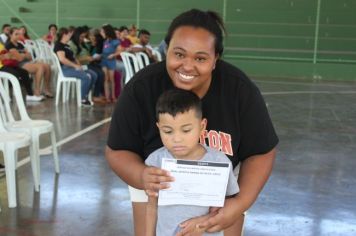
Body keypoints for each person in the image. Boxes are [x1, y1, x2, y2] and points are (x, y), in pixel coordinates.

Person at [106, 9, 278, 236]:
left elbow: (262, 151)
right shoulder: (142, 89)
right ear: (166, 50)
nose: (187, 66)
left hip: (221, 188)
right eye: (179, 54)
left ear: (215, 59)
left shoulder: (239, 90)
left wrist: (239, 204)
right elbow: (118, 150)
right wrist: (141, 175)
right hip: (154, 184)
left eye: (200, 58)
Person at [145, 88, 239, 236]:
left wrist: (202, 223)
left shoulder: (219, 162)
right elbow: (151, 207)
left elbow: (227, 208)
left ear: (202, 126)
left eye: (186, 130)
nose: (177, 139)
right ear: (159, 128)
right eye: (168, 131)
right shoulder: (156, 161)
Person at [6, 27, 53, 98]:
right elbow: (19, 58)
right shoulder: (9, 45)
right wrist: (24, 55)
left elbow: (30, 56)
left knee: (47, 66)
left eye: (19, 34)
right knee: (40, 67)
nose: (18, 36)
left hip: (26, 62)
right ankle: (37, 91)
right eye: (16, 34)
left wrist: (23, 55)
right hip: (18, 65)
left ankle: (46, 89)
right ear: (10, 35)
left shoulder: (20, 44)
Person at [54, 27, 96, 106]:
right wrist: (75, 66)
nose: (70, 36)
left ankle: (85, 94)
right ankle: (83, 99)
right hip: (65, 69)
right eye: (69, 35)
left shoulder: (67, 45)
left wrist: (78, 64)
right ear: (64, 35)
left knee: (93, 75)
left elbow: (73, 57)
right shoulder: (59, 45)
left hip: (72, 67)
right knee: (86, 76)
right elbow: (62, 59)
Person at [100, 24, 120, 103]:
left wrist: (113, 55)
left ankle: (113, 96)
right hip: (104, 60)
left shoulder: (115, 41)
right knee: (106, 78)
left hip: (111, 61)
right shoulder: (105, 41)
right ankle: (107, 97)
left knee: (112, 79)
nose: (101, 33)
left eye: (102, 31)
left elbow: (120, 51)